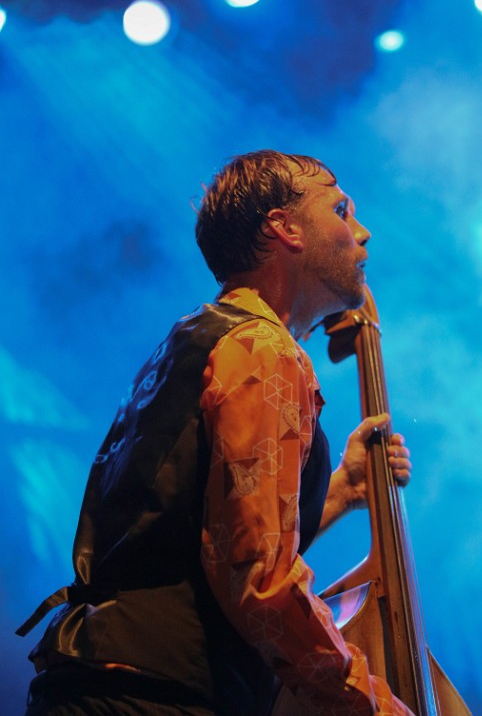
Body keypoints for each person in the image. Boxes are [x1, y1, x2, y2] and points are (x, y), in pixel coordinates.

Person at [18, 150, 413, 716]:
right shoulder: (262, 348)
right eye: (341, 210)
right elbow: (260, 580)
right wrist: (370, 702)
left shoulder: (194, 339)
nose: (362, 231)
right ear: (284, 227)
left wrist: (342, 490)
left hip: (104, 680)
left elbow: (205, 536)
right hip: (157, 695)